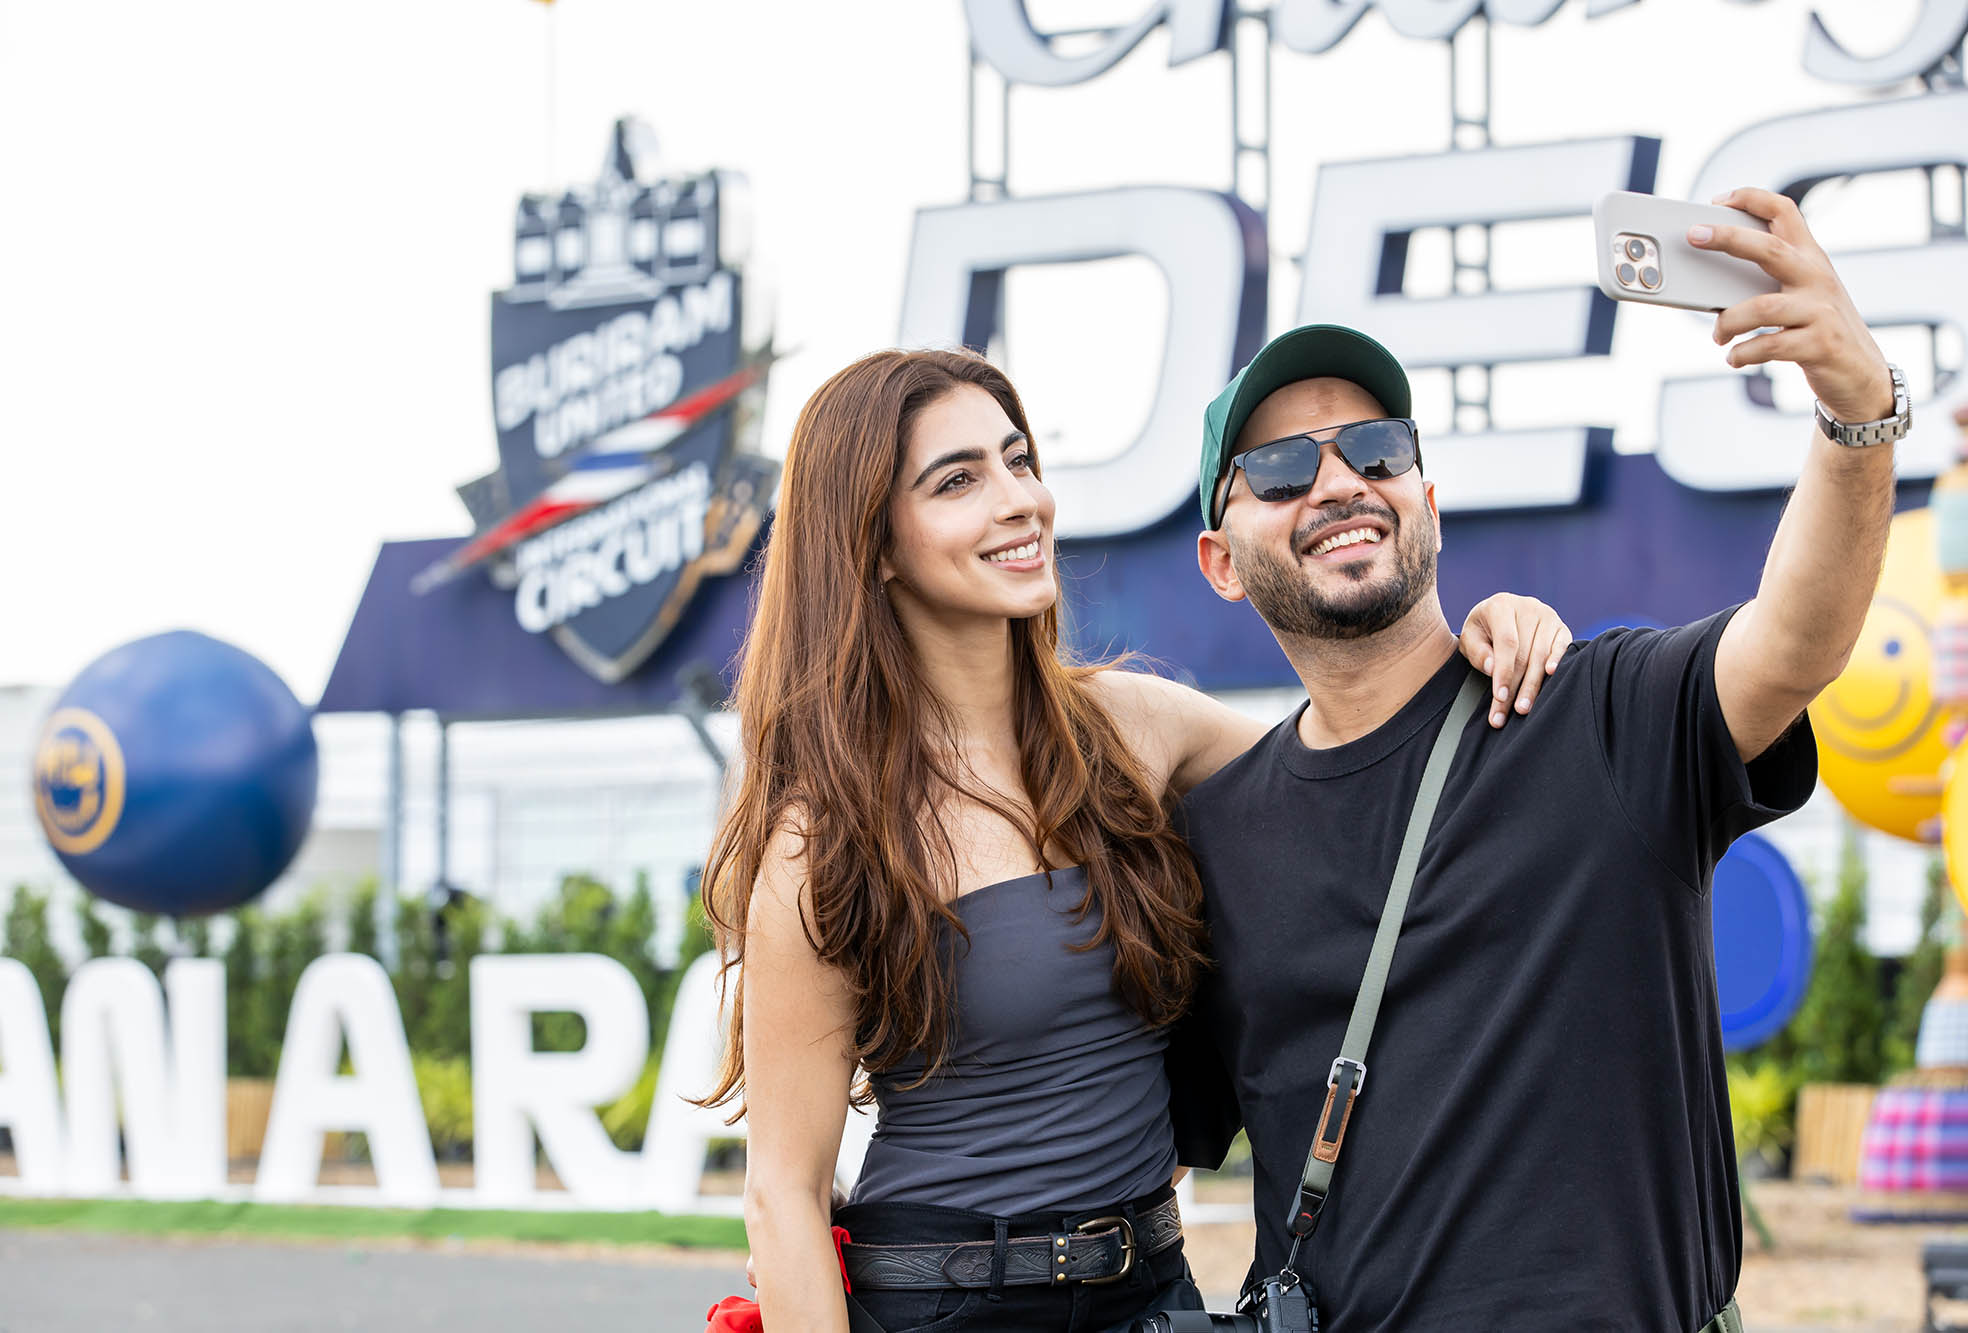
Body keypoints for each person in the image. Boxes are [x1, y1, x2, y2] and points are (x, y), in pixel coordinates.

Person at [695, 346, 1574, 1333]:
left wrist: (1484, 631)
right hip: (942, 1304)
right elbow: (782, 1193)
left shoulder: (1134, 728)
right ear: (875, 543)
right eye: (957, 481)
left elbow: (1364, 773)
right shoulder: (824, 836)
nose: (1018, 500)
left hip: (1153, 1293)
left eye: (1017, 461)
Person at [1167, 187, 1904, 1331]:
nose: (1337, 482)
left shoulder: (1599, 713)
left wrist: (1855, 411)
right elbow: (1137, 1144)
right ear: (1220, 561)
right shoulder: (1211, 842)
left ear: (1426, 502)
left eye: (1374, 448)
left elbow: (1794, 641)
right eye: (1276, 469)